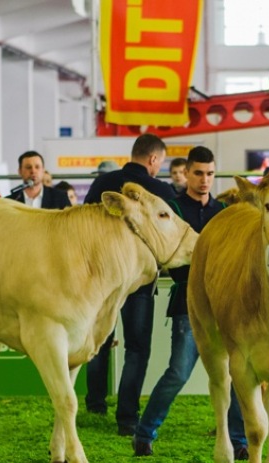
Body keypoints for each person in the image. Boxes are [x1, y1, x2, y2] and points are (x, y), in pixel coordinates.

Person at [133, 146, 248, 458]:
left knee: (238, 374)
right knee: (178, 372)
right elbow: (167, 258)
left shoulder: (222, 213)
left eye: (210, 173)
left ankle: (239, 442)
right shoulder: (171, 210)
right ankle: (144, 433)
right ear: (186, 174)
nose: (205, 180)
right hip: (188, 302)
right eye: (198, 173)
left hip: (225, 305)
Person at [84, 133, 176, 435]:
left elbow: (82, 223)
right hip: (139, 281)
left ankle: (95, 403)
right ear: (153, 160)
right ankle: (126, 417)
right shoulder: (160, 190)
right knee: (136, 348)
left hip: (101, 277)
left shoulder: (102, 184)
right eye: (160, 162)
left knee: (97, 341)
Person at [6, 151, 71, 209]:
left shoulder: (60, 197)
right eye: (28, 167)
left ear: (43, 170)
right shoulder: (10, 201)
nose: (33, 171)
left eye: (37, 167)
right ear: (20, 171)